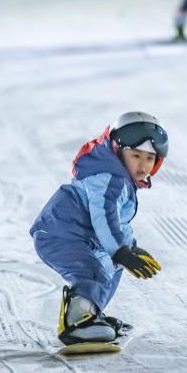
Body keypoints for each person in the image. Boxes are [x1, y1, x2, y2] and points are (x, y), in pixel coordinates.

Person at [29, 112, 166, 347]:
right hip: (61, 234)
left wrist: (128, 249)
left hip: (78, 237)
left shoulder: (120, 180)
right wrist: (120, 250)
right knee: (92, 272)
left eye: (150, 158)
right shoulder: (110, 179)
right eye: (135, 155)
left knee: (112, 266)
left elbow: (117, 224)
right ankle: (77, 323)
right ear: (117, 151)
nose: (143, 166)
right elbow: (104, 216)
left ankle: (91, 313)